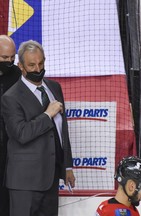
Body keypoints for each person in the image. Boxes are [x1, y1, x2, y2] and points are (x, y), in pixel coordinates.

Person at [1, 40, 75, 216]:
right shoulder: (10, 97)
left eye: (41, 63)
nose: (37, 69)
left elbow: (61, 131)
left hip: (51, 178)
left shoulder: (54, 87)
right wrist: (47, 114)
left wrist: (67, 167)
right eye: (32, 65)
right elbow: (21, 133)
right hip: (24, 183)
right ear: (21, 66)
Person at [0, 35, 21, 216]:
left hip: (11, 146)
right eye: (4, 58)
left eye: (12, 58)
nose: (9, 61)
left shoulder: (18, 75)